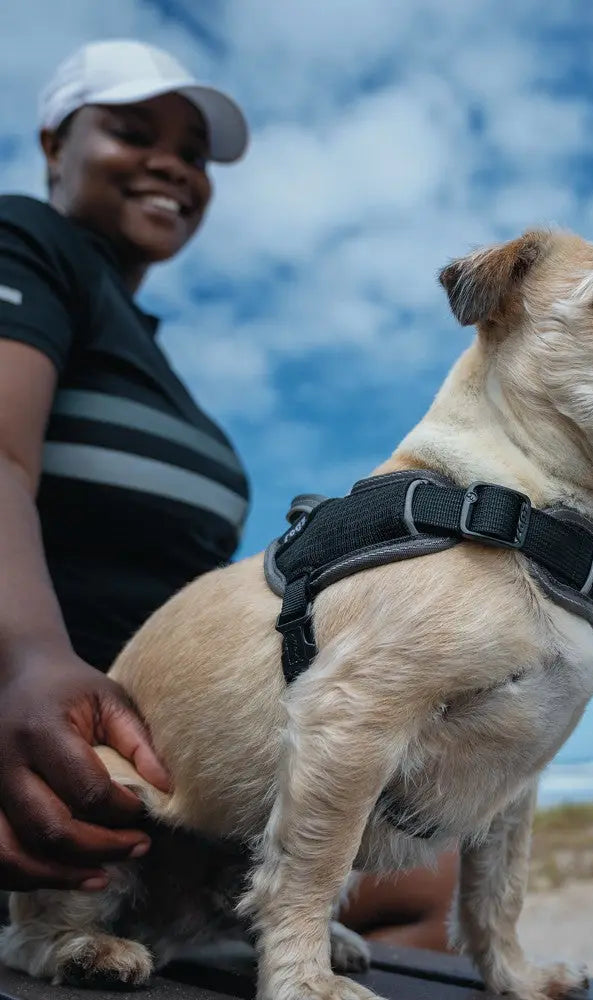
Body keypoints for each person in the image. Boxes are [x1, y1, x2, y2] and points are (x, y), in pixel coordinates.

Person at [0, 38, 456, 950]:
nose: (174, 164)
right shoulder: (27, 241)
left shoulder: (141, 345)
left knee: (421, 870)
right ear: (55, 144)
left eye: (196, 154)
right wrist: (23, 664)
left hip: (159, 743)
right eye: (134, 131)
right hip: (60, 735)